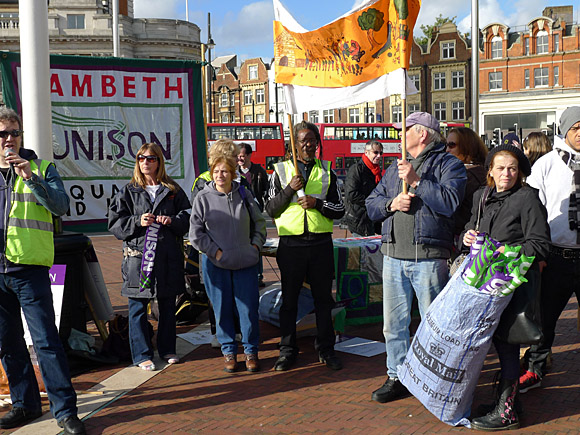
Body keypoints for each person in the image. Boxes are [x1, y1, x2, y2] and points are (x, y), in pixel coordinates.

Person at [365, 112, 467, 403]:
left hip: (428, 258)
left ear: (422, 134)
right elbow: (371, 205)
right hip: (394, 255)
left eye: (405, 130)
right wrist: (391, 203)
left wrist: (417, 181)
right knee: (393, 325)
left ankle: (434, 381)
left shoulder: (450, 164)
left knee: (433, 324)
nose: (400, 135)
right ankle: (397, 376)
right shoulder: (394, 167)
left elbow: (449, 203)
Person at [0, 108, 85, 434]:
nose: (10, 140)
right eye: (3, 134)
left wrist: (31, 179)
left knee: (46, 342)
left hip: (29, 269)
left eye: (15, 133)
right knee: (8, 343)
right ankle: (25, 404)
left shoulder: (42, 168)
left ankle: (65, 411)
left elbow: (61, 207)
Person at [463, 144, 550, 431]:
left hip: (512, 285)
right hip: (483, 287)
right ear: (490, 171)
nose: (506, 173)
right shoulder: (482, 196)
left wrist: (502, 251)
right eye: (500, 167)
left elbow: (539, 243)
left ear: (521, 172)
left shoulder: (528, 198)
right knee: (498, 345)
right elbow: (471, 227)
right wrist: (468, 236)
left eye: (512, 168)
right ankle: (506, 400)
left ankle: (507, 412)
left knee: (509, 345)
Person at [265, 121, 345, 371]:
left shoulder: (328, 171)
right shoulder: (279, 171)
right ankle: (287, 349)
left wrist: (318, 203)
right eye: (303, 141)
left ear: (318, 144)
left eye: (312, 140)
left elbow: (340, 209)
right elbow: (270, 208)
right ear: (294, 145)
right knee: (289, 301)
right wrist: (290, 189)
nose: (308, 145)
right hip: (292, 244)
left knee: (323, 300)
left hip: (320, 243)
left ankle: (326, 348)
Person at [108, 143, 191, 371]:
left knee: (167, 307)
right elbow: (114, 224)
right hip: (138, 262)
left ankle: (167, 349)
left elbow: (188, 217)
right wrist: (137, 221)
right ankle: (142, 354)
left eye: (151, 158)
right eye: (141, 158)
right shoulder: (128, 191)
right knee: (137, 308)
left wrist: (172, 221)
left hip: (167, 259)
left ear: (159, 162)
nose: (146, 162)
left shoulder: (172, 190)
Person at [519, 107, 580, 393]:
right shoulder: (546, 164)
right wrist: (539, 255)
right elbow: (534, 212)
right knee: (545, 320)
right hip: (557, 257)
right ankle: (536, 369)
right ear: (565, 130)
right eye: (576, 128)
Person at [189, 153, 266, 373]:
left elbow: (259, 223)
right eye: (215, 171)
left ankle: (251, 351)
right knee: (221, 309)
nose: (219, 175)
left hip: (246, 262)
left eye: (224, 171)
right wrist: (216, 252)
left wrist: (255, 247)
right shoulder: (203, 198)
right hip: (216, 264)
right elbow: (196, 233)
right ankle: (229, 351)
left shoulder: (244, 193)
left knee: (248, 309)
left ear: (232, 173)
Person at [445, 127, 488, 239]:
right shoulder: (482, 170)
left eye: (452, 145)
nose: (447, 150)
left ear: (467, 147)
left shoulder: (465, 175)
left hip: (464, 236)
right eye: (446, 145)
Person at [237, 142, 269, 287]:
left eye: (243, 156)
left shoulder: (259, 171)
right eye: (238, 156)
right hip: (240, 214)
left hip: (255, 212)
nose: (240, 158)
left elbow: (267, 192)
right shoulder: (234, 172)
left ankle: (258, 275)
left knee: (257, 243)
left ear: (249, 155)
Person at [342, 140, 384, 237]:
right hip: (359, 220)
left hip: (370, 219)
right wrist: (371, 202)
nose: (379, 156)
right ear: (366, 152)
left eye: (380, 153)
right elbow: (351, 194)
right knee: (363, 250)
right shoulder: (356, 169)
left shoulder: (376, 171)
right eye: (375, 152)